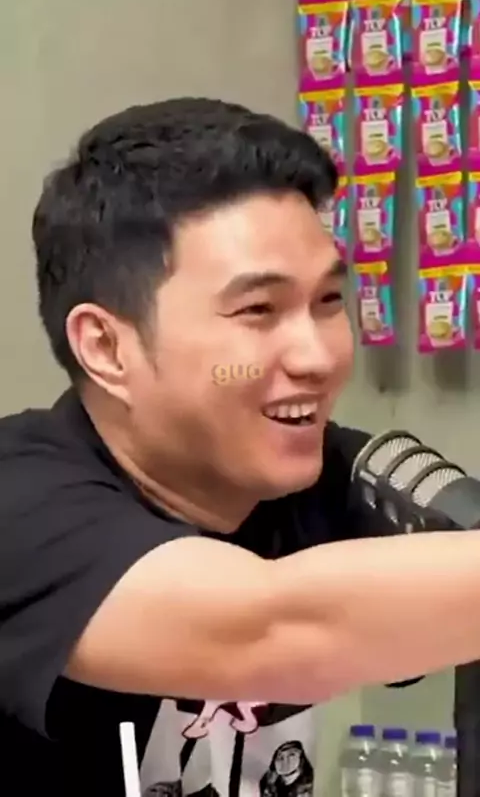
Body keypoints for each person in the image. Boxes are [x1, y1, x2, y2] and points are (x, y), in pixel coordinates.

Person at [1, 97, 480, 797]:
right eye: (258, 310)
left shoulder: (337, 478)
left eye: (327, 302)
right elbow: (264, 631)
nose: (318, 357)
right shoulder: (19, 501)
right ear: (105, 347)